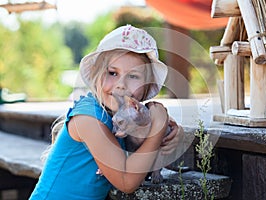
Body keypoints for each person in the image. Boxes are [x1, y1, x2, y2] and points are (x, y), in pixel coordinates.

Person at [29, 24, 183, 200]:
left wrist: (174, 132)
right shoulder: (88, 119)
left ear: (146, 88)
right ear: (96, 75)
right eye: (112, 73)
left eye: (133, 76)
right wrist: (158, 128)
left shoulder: (122, 116)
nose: (121, 85)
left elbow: (152, 120)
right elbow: (127, 182)